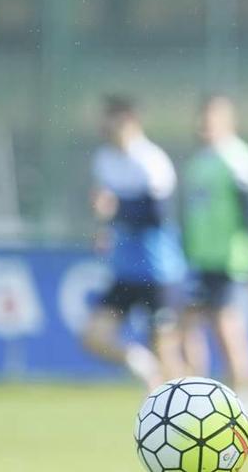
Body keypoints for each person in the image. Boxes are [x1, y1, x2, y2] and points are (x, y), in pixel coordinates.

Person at [82, 95, 188, 390]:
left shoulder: (151, 161)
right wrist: (104, 229)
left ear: (129, 122)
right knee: (93, 336)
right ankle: (139, 363)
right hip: (125, 270)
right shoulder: (104, 159)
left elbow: (158, 214)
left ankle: (190, 416)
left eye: (111, 120)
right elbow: (106, 209)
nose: (104, 127)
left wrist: (117, 209)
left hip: (159, 271)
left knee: (167, 352)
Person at [179, 95, 248, 436]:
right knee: (186, 330)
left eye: (211, 119)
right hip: (198, 260)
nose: (204, 126)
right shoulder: (198, 163)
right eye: (201, 119)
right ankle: (195, 403)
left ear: (228, 121)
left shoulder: (239, 160)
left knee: (228, 333)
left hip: (229, 262)